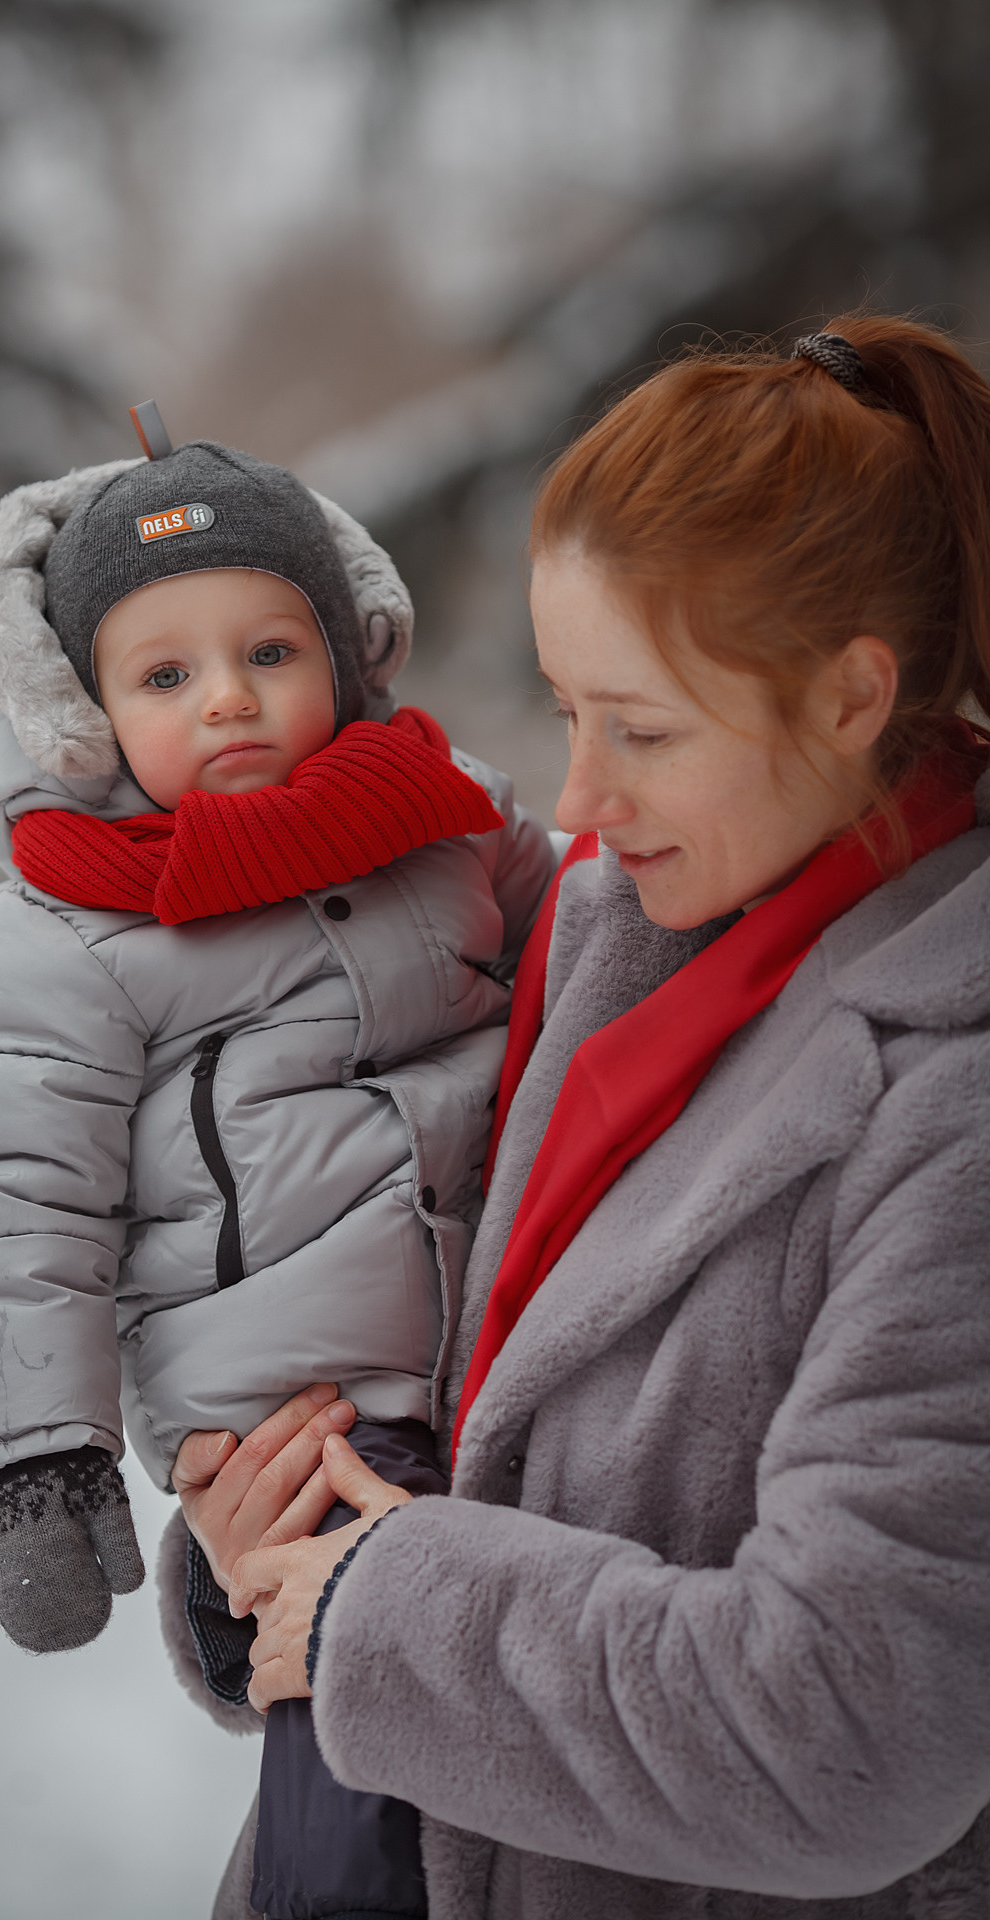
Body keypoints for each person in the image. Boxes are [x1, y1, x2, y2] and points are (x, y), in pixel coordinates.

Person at [170, 316, 990, 1920]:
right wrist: (264, 1543)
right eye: (566, 709)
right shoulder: (597, 943)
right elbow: (478, 1435)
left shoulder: (954, 1103)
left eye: (646, 729)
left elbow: (856, 1721)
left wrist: (379, 1619)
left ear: (850, 697)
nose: (582, 799)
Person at [0, 431, 554, 1920]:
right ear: (84, 712)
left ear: (344, 651)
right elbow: (22, 1202)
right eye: (163, 676)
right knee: (358, 1769)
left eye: (269, 649)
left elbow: (588, 939)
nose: (226, 696)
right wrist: (41, 1458)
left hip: (504, 1350)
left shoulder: (443, 812)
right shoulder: (66, 931)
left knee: (510, 1749)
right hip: (302, 1417)